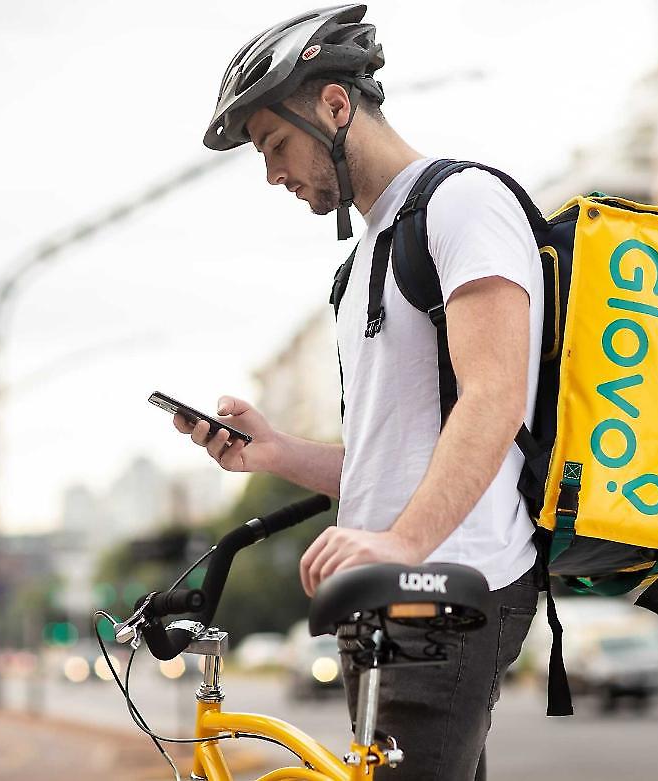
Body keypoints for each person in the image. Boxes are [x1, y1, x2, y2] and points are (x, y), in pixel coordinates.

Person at [175, 5, 545, 779]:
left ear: (336, 106)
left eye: (274, 143)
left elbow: (496, 397)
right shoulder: (357, 268)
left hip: (448, 585)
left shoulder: (462, 203)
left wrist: (402, 544)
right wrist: (275, 451)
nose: (272, 173)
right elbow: (389, 461)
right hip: (382, 590)